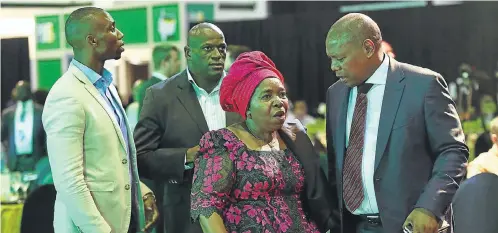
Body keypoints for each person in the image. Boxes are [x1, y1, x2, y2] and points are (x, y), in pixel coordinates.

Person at [325, 13, 468, 233]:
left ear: (368, 47)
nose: (333, 67)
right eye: (331, 59)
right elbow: (337, 166)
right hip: (355, 226)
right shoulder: (335, 94)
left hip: (411, 225)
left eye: (340, 58)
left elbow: (453, 151)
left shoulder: (423, 85)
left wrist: (429, 208)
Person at [190, 51, 337, 233]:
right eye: (267, 96)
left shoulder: (295, 136)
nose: (278, 102)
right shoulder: (222, 142)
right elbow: (207, 208)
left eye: (282, 94)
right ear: (247, 107)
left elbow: (317, 195)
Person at [42, 7, 158, 233]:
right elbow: (69, 181)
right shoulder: (66, 95)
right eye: (112, 28)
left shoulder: (106, 87)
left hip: (124, 220)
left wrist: (140, 191)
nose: (120, 34)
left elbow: (112, 159)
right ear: (92, 40)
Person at [134, 22, 243, 233]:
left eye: (221, 48)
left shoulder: (242, 90)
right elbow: (141, 156)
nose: (217, 54)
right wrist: (186, 157)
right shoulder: (161, 95)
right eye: (207, 48)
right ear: (188, 53)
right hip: (186, 217)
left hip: (242, 213)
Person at [1, 81, 46, 172]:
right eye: (18, 89)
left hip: (35, 161)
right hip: (15, 162)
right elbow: (3, 137)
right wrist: (8, 152)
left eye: (23, 89)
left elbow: (46, 138)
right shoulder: (8, 114)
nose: (20, 92)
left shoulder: (41, 112)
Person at [137, 44, 181, 114]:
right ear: (165, 63)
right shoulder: (152, 89)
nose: (179, 63)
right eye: (175, 60)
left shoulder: (149, 87)